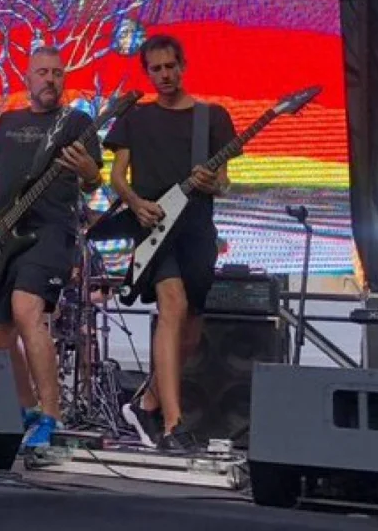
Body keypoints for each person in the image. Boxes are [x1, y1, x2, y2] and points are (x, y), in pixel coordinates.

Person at [0, 46, 103, 451]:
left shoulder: (76, 123)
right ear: (27, 78)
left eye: (57, 73)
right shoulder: (8, 122)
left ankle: (51, 415)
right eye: (42, 72)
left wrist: (88, 171)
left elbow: (93, 182)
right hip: (1, 236)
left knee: (27, 309)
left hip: (49, 233)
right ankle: (26, 409)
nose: (50, 79)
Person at [105, 34, 236, 452]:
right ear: (147, 73)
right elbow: (117, 177)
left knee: (191, 333)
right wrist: (135, 204)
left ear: (183, 66)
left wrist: (212, 182)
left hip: (197, 229)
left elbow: (225, 183)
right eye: (156, 69)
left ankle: (145, 402)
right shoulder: (135, 119)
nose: (164, 75)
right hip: (153, 227)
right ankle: (172, 424)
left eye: (170, 66)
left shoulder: (211, 117)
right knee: (172, 306)